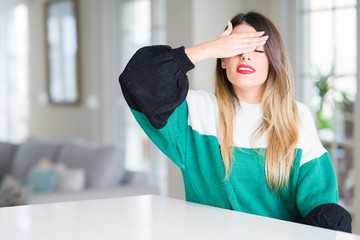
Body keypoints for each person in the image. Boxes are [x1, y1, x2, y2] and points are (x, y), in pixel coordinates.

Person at [119, 12, 352, 232]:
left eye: (257, 50)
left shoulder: (296, 116)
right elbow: (137, 77)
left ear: (272, 62)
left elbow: (321, 203)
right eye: (236, 47)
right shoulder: (197, 111)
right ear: (222, 60)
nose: (245, 55)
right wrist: (209, 49)